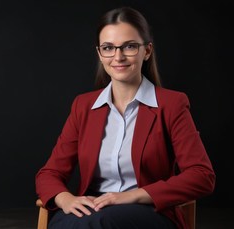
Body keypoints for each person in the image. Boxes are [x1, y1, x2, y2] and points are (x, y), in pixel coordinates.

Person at [35, 6, 216, 229]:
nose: (118, 56)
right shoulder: (84, 106)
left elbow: (202, 176)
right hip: (92, 207)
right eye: (108, 48)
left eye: (129, 46)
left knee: (95, 222)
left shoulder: (171, 104)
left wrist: (133, 196)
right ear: (100, 54)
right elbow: (50, 173)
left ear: (147, 51)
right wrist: (66, 199)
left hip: (149, 210)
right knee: (74, 222)